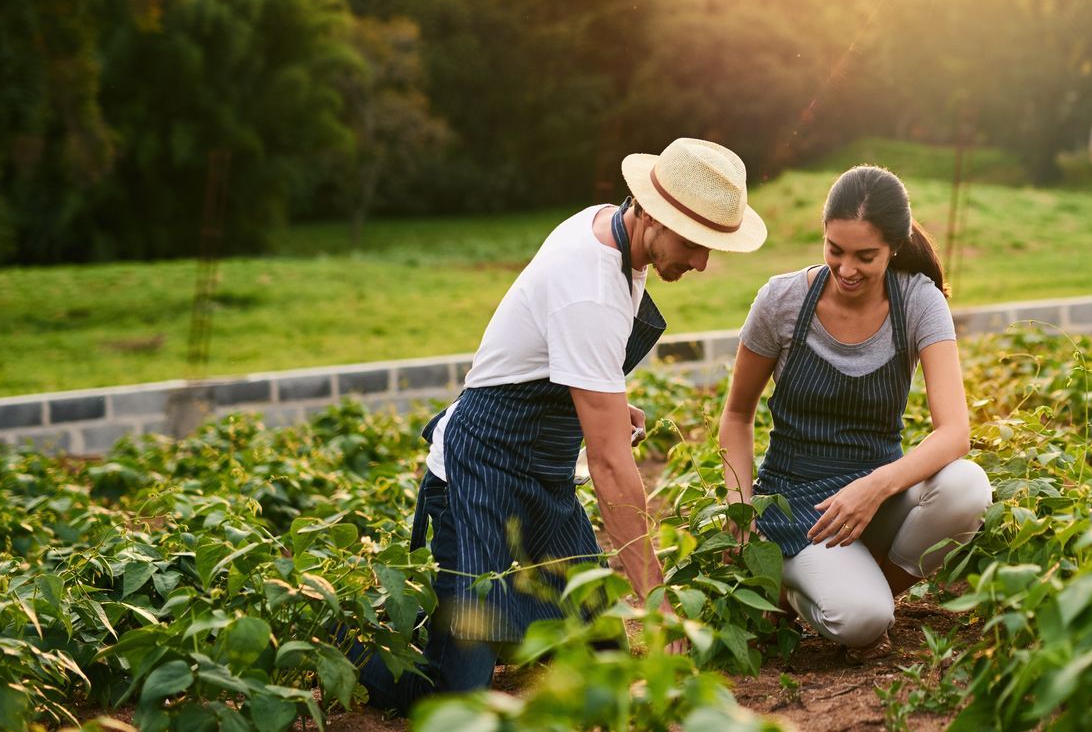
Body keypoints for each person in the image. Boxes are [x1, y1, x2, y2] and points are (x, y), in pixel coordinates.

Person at [360, 138, 767, 712]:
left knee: (597, 648)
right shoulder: (592, 287)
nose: (700, 262)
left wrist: (589, 399)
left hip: (543, 474)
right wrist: (655, 596)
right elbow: (607, 463)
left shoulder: (612, 229)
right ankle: (357, 648)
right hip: (480, 474)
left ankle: (490, 618)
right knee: (458, 690)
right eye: (694, 243)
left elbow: (549, 352)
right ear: (649, 211)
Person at [718, 164, 992, 655]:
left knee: (967, 486)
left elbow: (954, 433)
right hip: (799, 508)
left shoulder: (918, 302)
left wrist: (874, 487)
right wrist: (741, 516)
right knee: (861, 621)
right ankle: (789, 589)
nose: (846, 269)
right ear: (822, 235)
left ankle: (861, 587)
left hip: (878, 496)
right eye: (834, 250)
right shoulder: (780, 301)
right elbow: (736, 416)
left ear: (894, 246)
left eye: (865, 256)